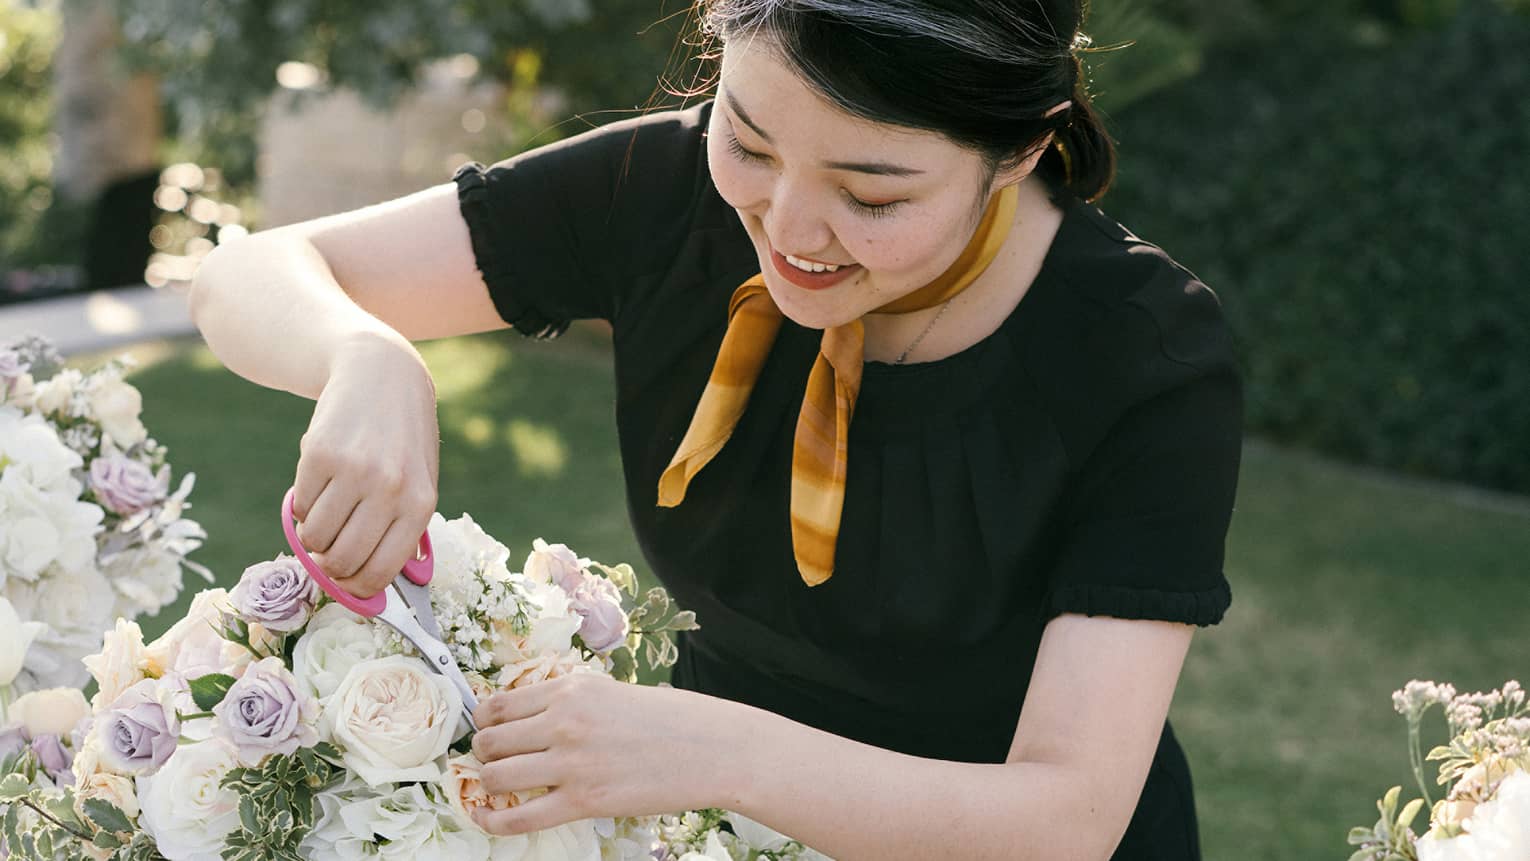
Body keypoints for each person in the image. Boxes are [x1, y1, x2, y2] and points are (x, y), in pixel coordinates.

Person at [189, 1, 1243, 858]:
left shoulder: (1144, 354)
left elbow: (1067, 820)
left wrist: (723, 756)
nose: (787, 230)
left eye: (871, 194)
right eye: (749, 140)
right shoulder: (662, 190)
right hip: (705, 820)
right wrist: (364, 358)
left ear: (1019, 151)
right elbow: (249, 275)